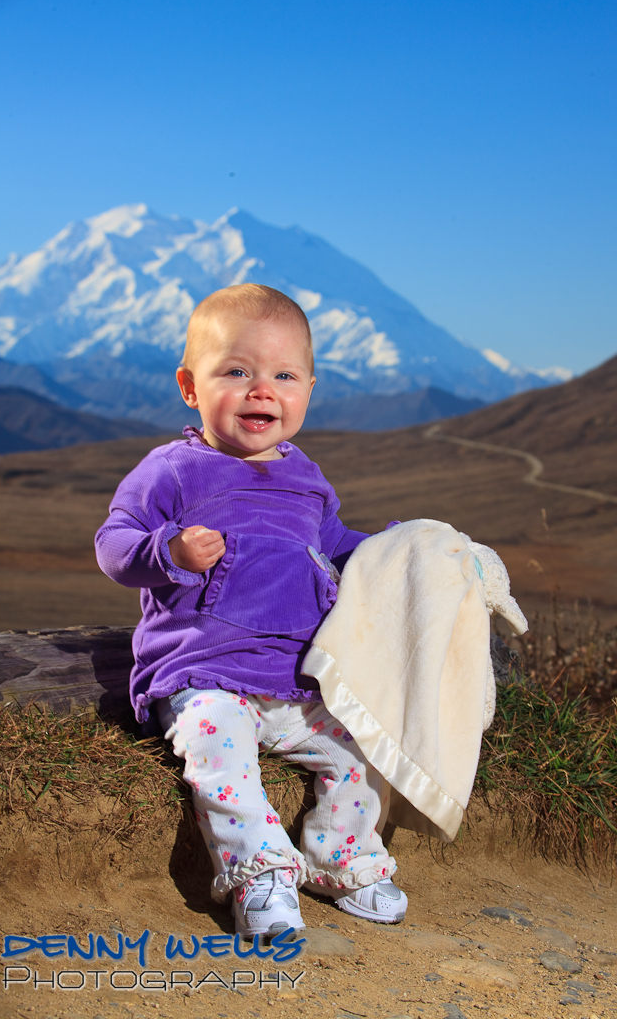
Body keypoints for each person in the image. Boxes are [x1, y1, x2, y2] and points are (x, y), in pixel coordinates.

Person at [95, 283, 407, 940]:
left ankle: (341, 860)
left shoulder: (306, 478)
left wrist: (390, 554)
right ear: (189, 386)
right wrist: (168, 550)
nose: (260, 389)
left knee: (363, 748)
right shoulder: (171, 471)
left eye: (283, 375)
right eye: (236, 372)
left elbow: (333, 547)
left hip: (294, 682)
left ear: (309, 389)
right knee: (219, 753)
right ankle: (259, 873)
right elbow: (114, 545)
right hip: (200, 674)